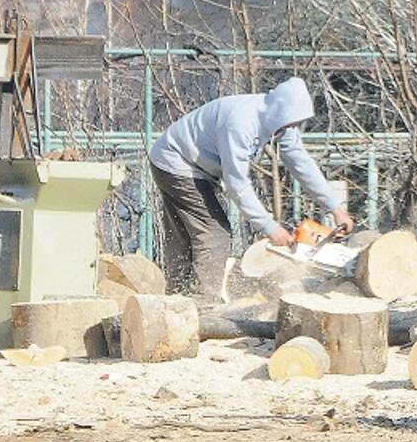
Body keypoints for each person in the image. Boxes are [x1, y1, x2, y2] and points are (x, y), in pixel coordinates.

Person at [149, 77, 354, 301]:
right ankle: (202, 307)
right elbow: (236, 183)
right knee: (214, 234)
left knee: (187, 237)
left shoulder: (280, 120)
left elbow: (300, 162)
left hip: (181, 160)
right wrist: (270, 227)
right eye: (291, 122)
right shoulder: (241, 123)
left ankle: (176, 301)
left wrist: (334, 207)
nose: (293, 128)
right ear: (281, 112)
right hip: (177, 162)